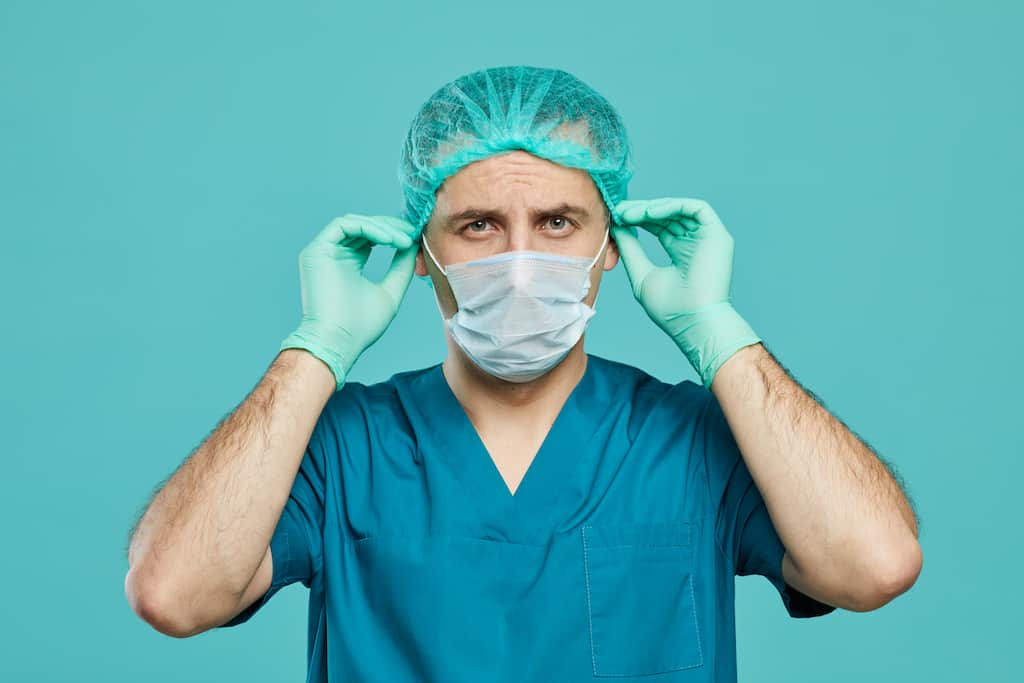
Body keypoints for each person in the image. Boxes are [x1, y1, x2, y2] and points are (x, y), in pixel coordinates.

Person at [124, 65, 922, 682]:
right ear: (422, 253)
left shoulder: (693, 442)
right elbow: (174, 593)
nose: (519, 260)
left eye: (557, 222)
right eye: (478, 226)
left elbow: (875, 566)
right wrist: (317, 346)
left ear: (609, 242)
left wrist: (721, 334)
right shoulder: (343, 449)